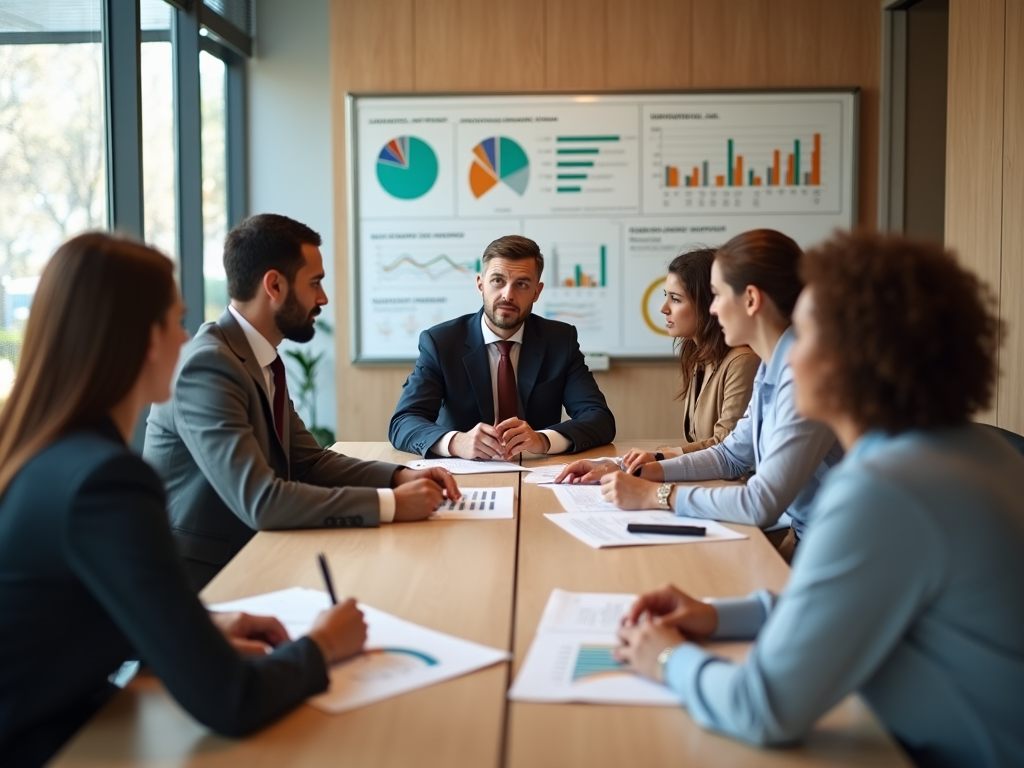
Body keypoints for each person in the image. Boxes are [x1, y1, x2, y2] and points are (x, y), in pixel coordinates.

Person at [614, 231, 1024, 767]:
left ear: (848, 359)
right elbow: (852, 605)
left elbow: (762, 709)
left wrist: (666, 657)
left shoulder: (883, 490)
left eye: (801, 334)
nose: (785, 353)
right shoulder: (975, 449)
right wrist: (716, 616)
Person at [0, 233, 368, 768]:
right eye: (175, 321)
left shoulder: (40, 451)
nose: (185, 339)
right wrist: (322, 646)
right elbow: (229, 698)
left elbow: (63, 616)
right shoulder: (106, 481)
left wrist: (205, 623)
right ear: (144, 339)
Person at [144, 214, 459, 591]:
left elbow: (308, 461)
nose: (323, 298)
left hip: (262, 553)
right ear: (274, 285)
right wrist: (390, 504)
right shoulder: (208, 366)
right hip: (207, 583)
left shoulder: (257, 357)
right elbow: (261, 500)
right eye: (315, 283)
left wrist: (399, 476)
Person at [557, 229, 843, 562]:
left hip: (836, 546)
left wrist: (656, 495)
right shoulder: (772, 365)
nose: (714, 309)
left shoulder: (803, 375)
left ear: (751, 299)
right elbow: (731, 455)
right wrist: (629, 469)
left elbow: (760, 504)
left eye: (717, 295)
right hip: (809, 535)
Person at [388, 234, 615, 459]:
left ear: (537, 291)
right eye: (497, 281)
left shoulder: (559, 341)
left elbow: (598, 418)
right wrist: (458, 442)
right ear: (480, 285)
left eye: (522, 284)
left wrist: (543, 439)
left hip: (536, 470)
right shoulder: (441, 343)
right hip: (463, 474)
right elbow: (403, 422)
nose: (508, 295)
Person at [611, 248, 759, 474]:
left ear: (708, 304)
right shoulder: (699, 356)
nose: (664, 309)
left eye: (676, 299)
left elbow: (728, 447)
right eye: (665, 296)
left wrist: (662, 457)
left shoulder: (743, 362)